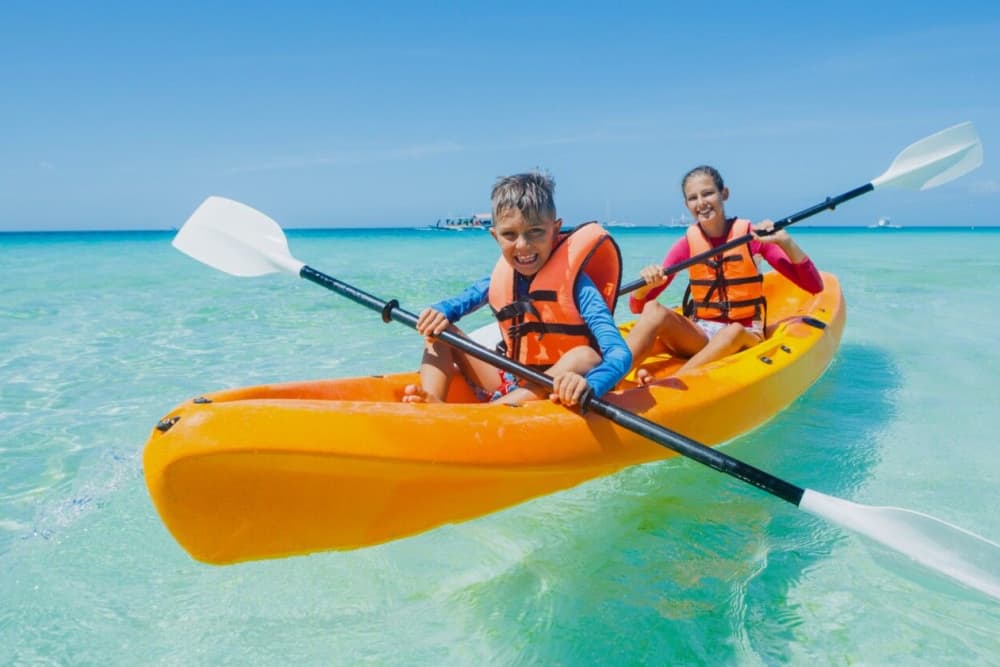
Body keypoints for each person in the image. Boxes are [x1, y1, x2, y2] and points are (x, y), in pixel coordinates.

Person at [402, 171, 632, 406]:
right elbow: (456, 304)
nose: (523, 245)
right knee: (439, 331)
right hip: (512, 383)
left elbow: (619, 353)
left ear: (555, 230)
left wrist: (592, 385)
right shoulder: (500, 279)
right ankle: (432, 405)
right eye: (509, 234)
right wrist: (440, 311)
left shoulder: (579, 286)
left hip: (560, 388)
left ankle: (493, 411)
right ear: (495, 236)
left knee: (585, 356)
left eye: (535, 231)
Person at [627, 165, 824, 379]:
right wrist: (645, 285)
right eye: (693, 198)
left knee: (732, 331)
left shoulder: (752, 238)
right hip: (702, 335)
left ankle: (669, 384)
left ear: (724, 193)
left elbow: (814, 286)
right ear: (686, 205)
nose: (701, 203)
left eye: (708, 193)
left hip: (745, 335)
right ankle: (609, 377)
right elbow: (637, 307)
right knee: (654, 309)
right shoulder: (686, 244)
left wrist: (785, 242)